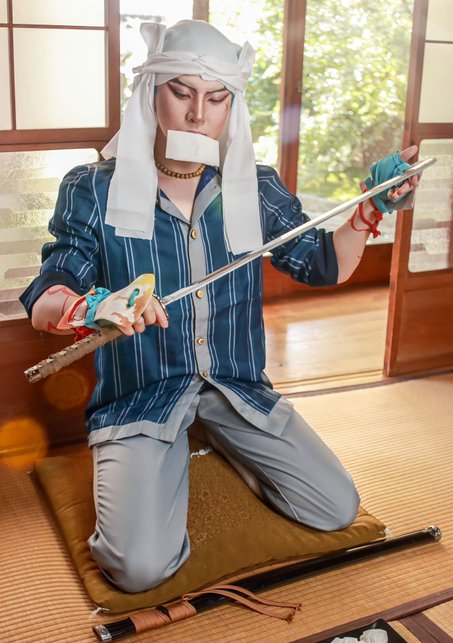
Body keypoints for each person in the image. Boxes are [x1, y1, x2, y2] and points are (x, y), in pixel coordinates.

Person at [20, 20, 418, 594]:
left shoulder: (253, 186)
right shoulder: (92, 188)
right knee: (138, 570)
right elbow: (47, 294)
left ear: (232, 106)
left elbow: (321, 264)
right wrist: (91, 307)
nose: (197, 114)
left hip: (236, 387)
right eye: (181, 92)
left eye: (216, 98)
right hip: (144, 394)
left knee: (334, 508)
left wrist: (369, 209)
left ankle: (218, 443)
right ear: (151, 93)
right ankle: (160, 456)